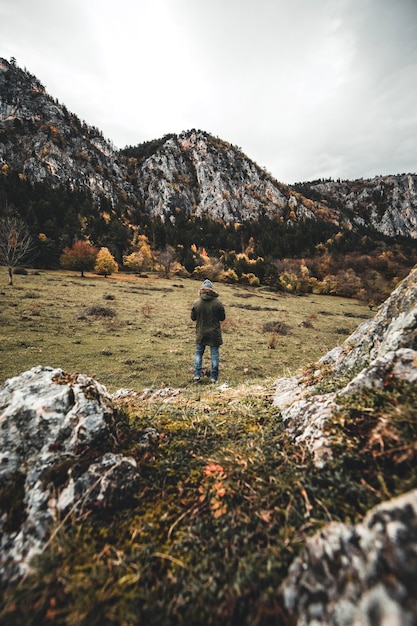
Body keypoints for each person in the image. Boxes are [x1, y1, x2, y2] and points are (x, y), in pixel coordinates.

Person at [191, 279, 226, 383]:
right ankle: (213, 378)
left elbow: (193, 318)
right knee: (214, 355)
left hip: (201, 333)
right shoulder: (218, 303)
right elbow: (222, 318)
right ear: (212, 290)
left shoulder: (196, 303)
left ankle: (197, 376)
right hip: (214, 333)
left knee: (198, 354)